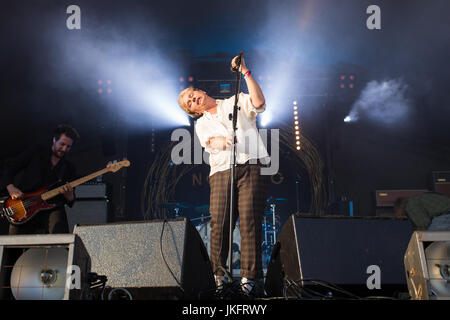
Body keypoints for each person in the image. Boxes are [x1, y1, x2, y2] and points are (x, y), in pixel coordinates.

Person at [178, 54, 270, 297]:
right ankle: (218, 278)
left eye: (193, 94)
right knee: (220, 223)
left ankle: (249, 280)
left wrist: (245, 72)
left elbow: (259, 103)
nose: (194, 98)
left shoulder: (236, 100)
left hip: (250, 164)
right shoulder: (201, 124)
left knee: (250, 222)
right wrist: (224, 140)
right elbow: (211, 142)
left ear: (200, 92)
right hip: (221, 171)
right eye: (190, 102)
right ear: (194, 111)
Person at [1, 124, 80, 235]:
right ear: (54, 140)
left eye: (68, 146)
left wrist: (70, 196)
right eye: (62, 144)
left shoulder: (69, 167)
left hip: (51, 208)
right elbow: (11, 167)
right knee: (13, 245)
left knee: (60, 237)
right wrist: (11, 187)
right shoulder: (36, 151)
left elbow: (70, 199)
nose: (64, 149)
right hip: (25, 204)